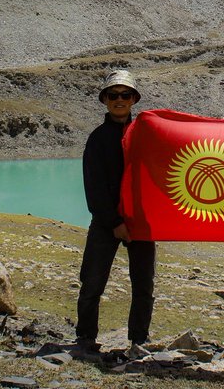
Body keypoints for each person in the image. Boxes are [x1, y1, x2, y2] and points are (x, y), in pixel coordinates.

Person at [75, 69, 156, 351]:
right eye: (113, 95)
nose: (119, 100)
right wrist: (114, 222)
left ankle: (139, 338)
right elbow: (93, 188)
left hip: (141, 222)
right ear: (105, 100)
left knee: (144, 285)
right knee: (92, 282)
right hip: (105, 222)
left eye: (125, 95)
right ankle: (85, 337)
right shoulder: (97, 139)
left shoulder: (147, 135)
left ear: (134, 99)